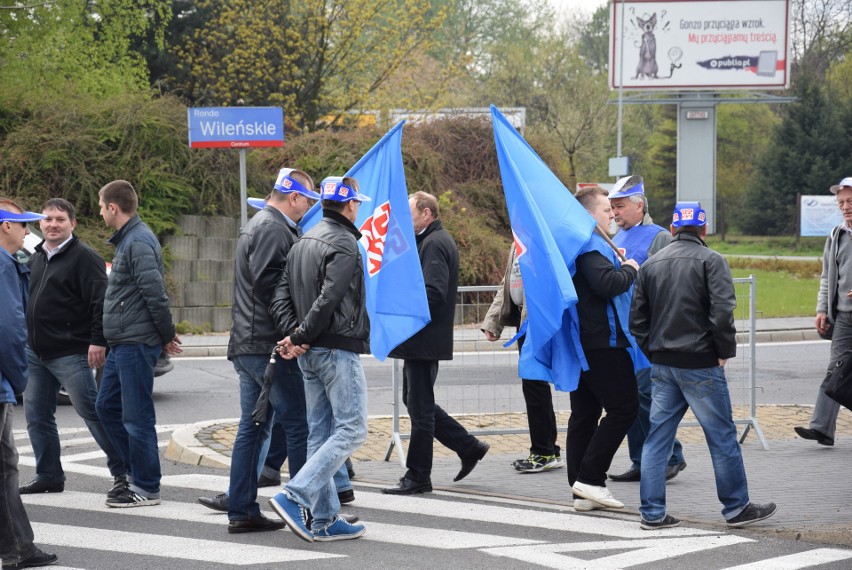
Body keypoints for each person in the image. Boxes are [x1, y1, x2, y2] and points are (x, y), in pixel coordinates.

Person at [630, 201, 776, 529]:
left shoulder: (651, 265)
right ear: (704, 230)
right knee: (722, 437)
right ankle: (736, 508)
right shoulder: (713, 260)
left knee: (657, 439)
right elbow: (722, 312)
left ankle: (652, 513)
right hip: (701, 364)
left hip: (663, 364)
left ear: (672, 230)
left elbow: (637, 321)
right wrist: (723, 351)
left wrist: (654, 353)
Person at [269, 176, 370, 542]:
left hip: (309, 352)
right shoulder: (344, 243)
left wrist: (295, 337)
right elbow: (330, 298)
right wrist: (300, 336)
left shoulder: (303, 239)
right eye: (358, 203)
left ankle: (324, 520)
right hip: (333, 348)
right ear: (351, 205)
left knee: (320, 433)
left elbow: (278, 294)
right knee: (352, 429)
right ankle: (294, 494)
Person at [217, 168, 316, 534]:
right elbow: (271, 286)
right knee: (299, 425)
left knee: (254, 427)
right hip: (269, 345)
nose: (308, 209)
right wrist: (295, 331)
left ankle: (241, 509)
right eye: (308, 201)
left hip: (250, 342)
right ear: (293, 197)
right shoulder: (274, 228)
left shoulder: (259, 224)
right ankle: (309, 510)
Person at [383, 191, 490, 495]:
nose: (406, 218)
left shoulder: (434, 243)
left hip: (423, 338)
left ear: (426, 214)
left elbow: (433, 291)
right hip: (420, 339)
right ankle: (468, 446)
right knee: (416, 402)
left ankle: (418, 475)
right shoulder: (429, 240)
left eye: (411, 212)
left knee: (420, 408)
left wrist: (403, 308)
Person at [21, 198, 127, 500]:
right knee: (37, 417)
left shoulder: (84, 257)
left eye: (60, 219)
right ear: (40, 224)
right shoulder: (38, 256)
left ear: (72, 224)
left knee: (93, 413)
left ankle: (124, 473)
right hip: (36, 353)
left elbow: (100, 302)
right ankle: (49, 475)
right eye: (48, 219)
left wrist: (98, 340)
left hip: (71, 352)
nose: (53, 224)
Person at [95, 180, 182, 508]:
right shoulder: (129, 240)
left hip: (135, 342)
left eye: (102, 206)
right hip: (122, 342)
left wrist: (166, 335)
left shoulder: (139, 241)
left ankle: (145, 486)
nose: (101, 212)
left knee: (137, 416)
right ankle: (132, 473)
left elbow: (154, 293)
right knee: (105, 406)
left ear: (113, 208)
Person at [606, 175, 687, 483]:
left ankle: (670, 457)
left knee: (647, 395)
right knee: (630, 398)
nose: (615, 213)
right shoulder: (614, 237)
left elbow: (669, 285)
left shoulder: (659, 237)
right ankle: (642, 459)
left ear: (639, 206)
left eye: (621, 206)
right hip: (622, 332)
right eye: (612, 208)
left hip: (647, 332)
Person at [567, 186, 640, 513]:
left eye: (613, 210)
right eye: (605, 210)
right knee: (625, 408)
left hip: (586, 341)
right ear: (588, 215)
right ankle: (590, 479)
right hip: (604, 342)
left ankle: (582, 492)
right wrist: (630, 269)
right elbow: (606, 284)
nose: (611, 215)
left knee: (584, 414)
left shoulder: (580, 244)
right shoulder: (590, 245)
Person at [0, 198, 58, 570]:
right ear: (6, 226)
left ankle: (19, 547)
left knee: (5, 464)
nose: (29, 232)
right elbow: (8, 329)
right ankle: (17, 549)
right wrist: (19, 378)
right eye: (24, 225)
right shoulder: (4, 266)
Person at [481, 245, 563, 473]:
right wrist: (493, 322)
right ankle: (548, 450)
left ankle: (543, 452)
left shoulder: (540, 239)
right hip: (522, 319)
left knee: (535, 385)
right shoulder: (516, 243)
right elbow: (507, 285)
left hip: (536, 321)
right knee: (534, 386)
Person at [795, 176, 852, 447]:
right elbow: (826, 277)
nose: (845, 206)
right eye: (841, 202)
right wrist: (821, 309)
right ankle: (822, 428)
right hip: (844, 317)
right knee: (835, 371)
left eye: (850, 201)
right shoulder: (836, 235)